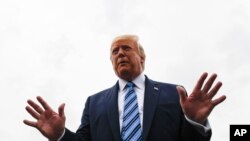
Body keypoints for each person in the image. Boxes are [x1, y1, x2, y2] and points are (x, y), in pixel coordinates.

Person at [24, 35, 226, 141]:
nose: (120, 53)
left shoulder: (174, 94)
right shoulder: (94, 103)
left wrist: (194, 122)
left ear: (142, 57)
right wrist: (60, 136)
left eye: (126, 48)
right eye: (114, 51)